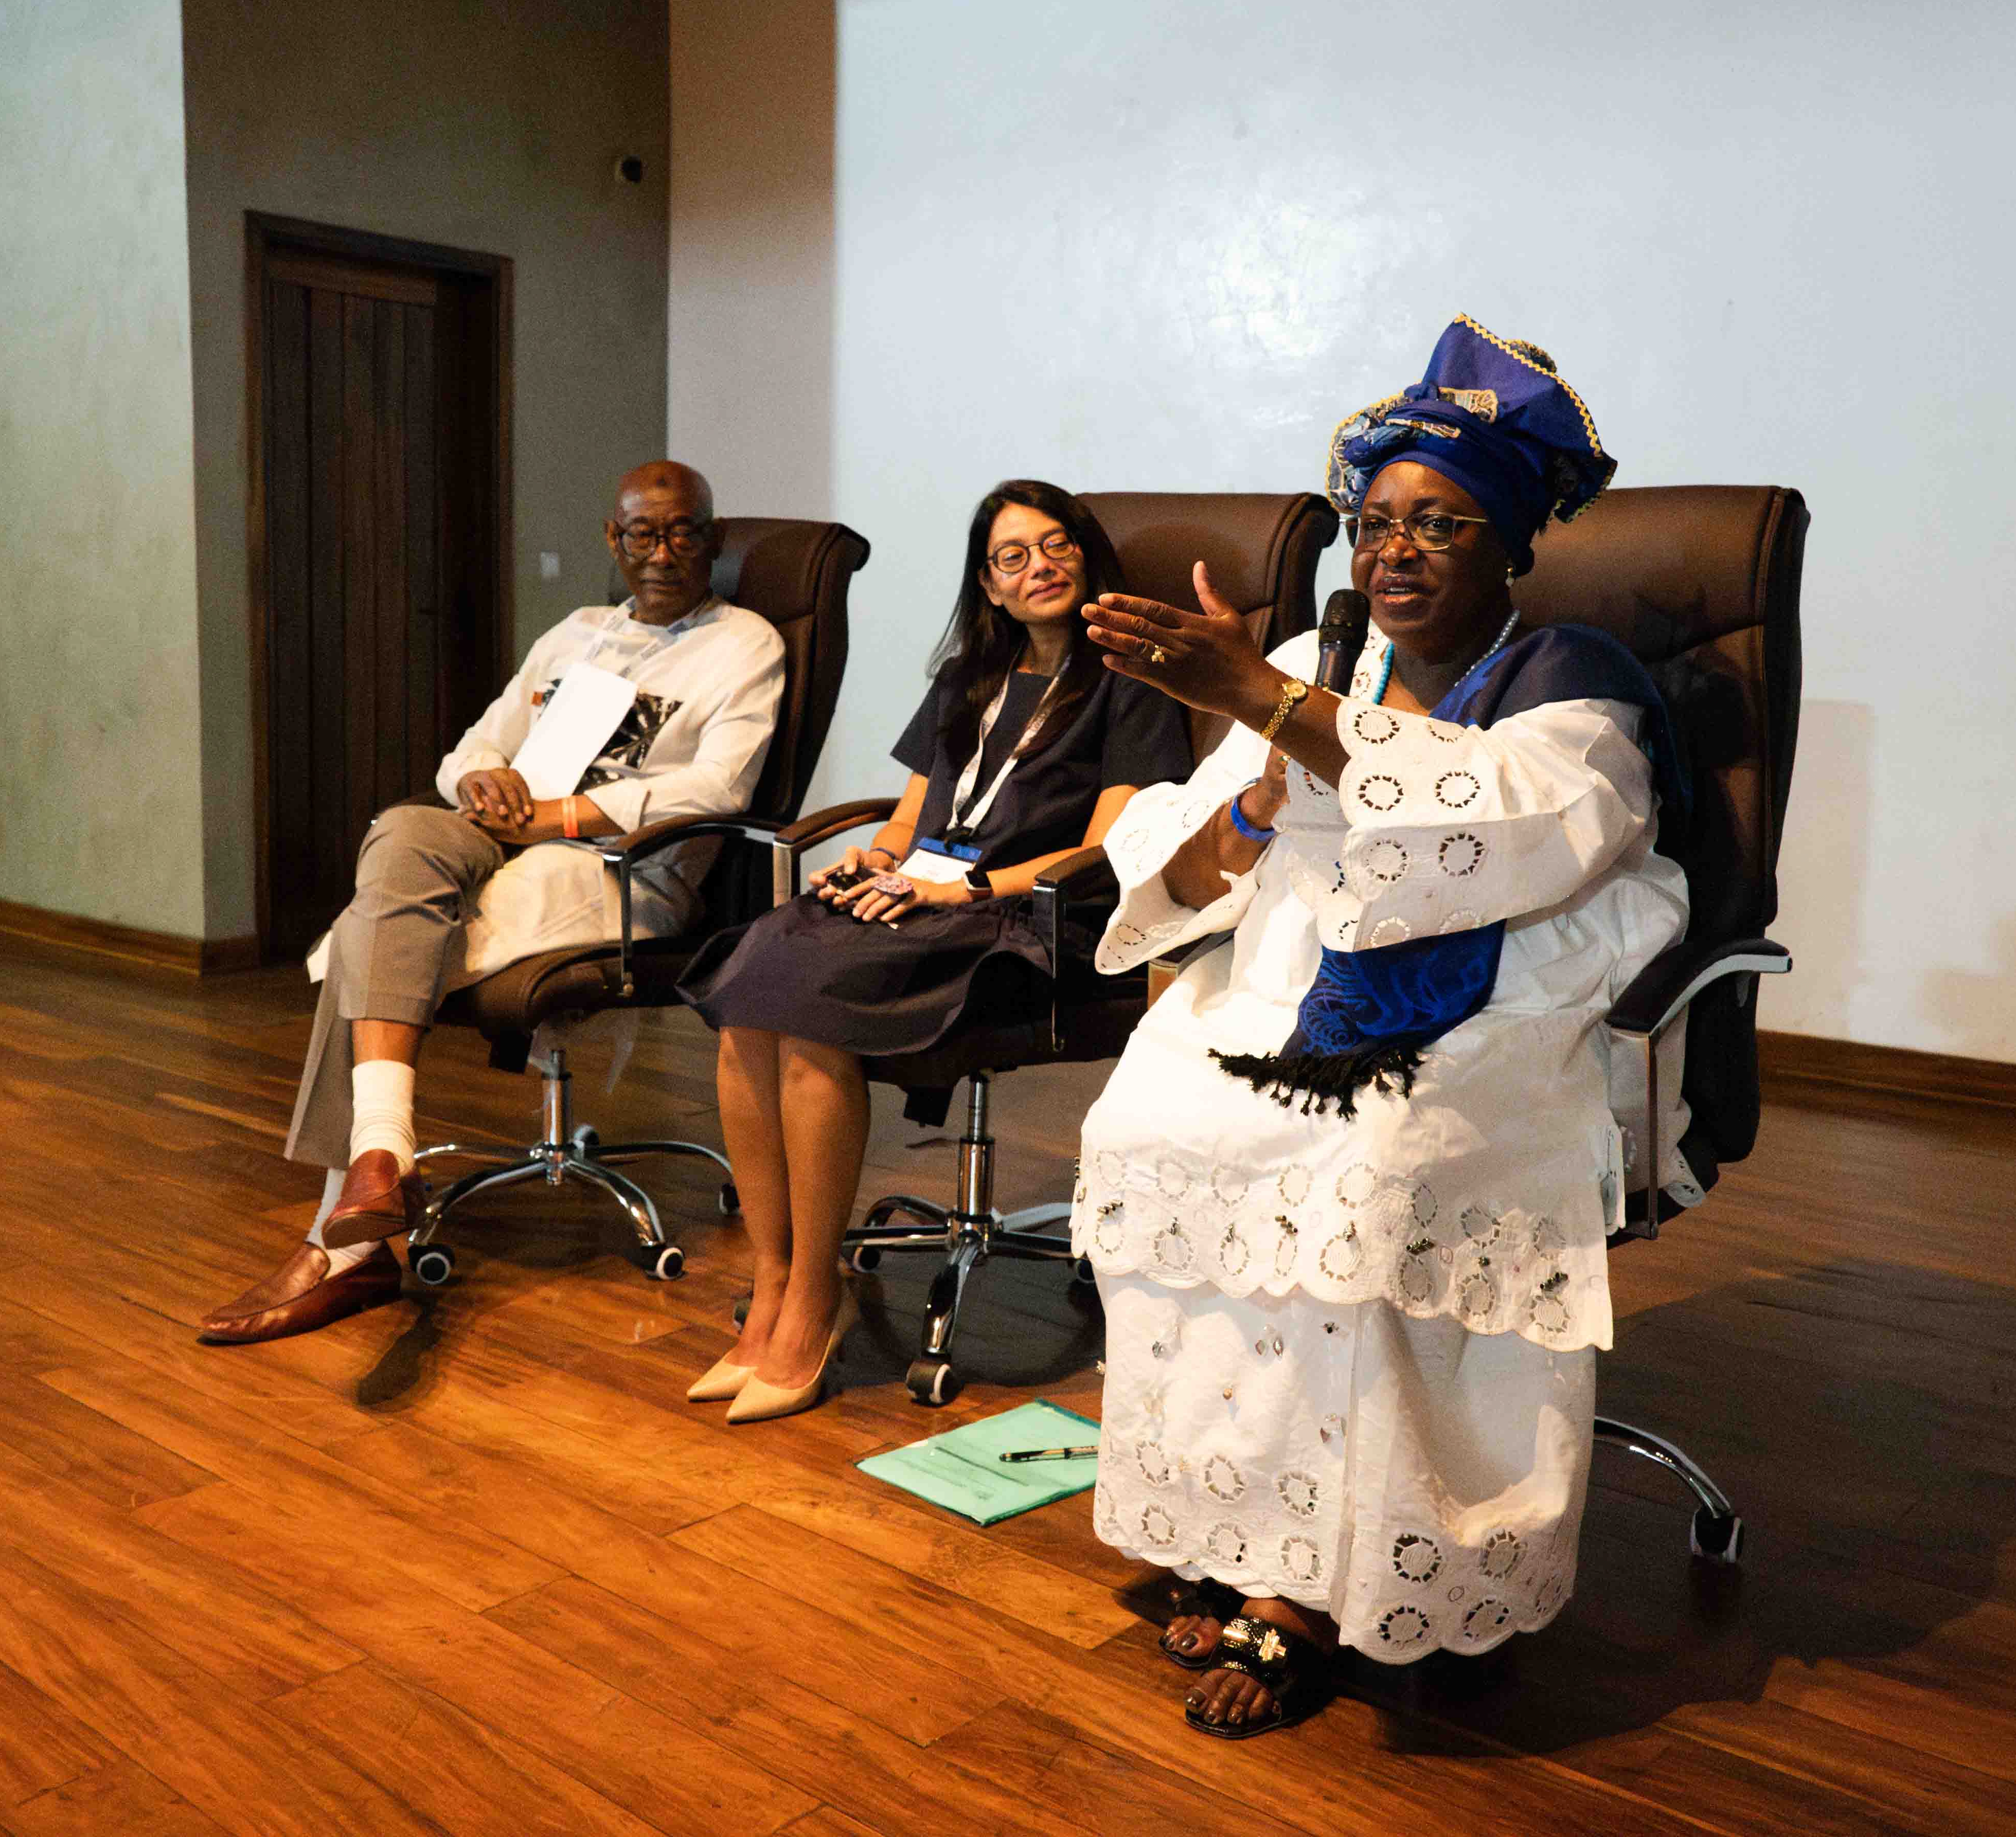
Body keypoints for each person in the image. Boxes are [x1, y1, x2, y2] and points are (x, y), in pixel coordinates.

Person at [1069, 318, 1697, 1738]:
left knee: (1361, 1179)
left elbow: (1529, 834)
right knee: (1156, 1119)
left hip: (1502, 1016)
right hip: (1285, 998)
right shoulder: (1316, 655)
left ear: (1512, 546)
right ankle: (1235, 1528)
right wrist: (1250, 775)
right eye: (1379, 522)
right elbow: (1188, 852)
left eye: (1442, 525)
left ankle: (1327, 1589)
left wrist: (1269, 703)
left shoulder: (1569, 678)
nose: (1398, 550)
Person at [200, 460, 787, 1346]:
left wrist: (558, 814)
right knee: (403, 832)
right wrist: (481, 782)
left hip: (620, 863)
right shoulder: (575, 634)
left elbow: (720, 786)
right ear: (612, 541)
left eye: (684, 533)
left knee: (371, 938)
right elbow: (480, 741)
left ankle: (347, 1236)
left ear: (711, 538)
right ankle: (381, 1159)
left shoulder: (745, 644)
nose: (662, 553)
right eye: (642, 534)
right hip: (505, 829)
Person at [676, 482, 1193, 1422]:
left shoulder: (1132, 680)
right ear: (989, 587)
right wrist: (872, 862)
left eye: (1055, 546)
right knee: (750, 988)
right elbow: (913, 817)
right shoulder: (967, 678)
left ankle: (813, 1310)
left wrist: (954, 888)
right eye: (1011, 557)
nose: (1039, 566)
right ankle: (783, 1277)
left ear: (1084, 559)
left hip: (1028, 922)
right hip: (921, 898)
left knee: (807, 1011)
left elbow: (1109, 848)